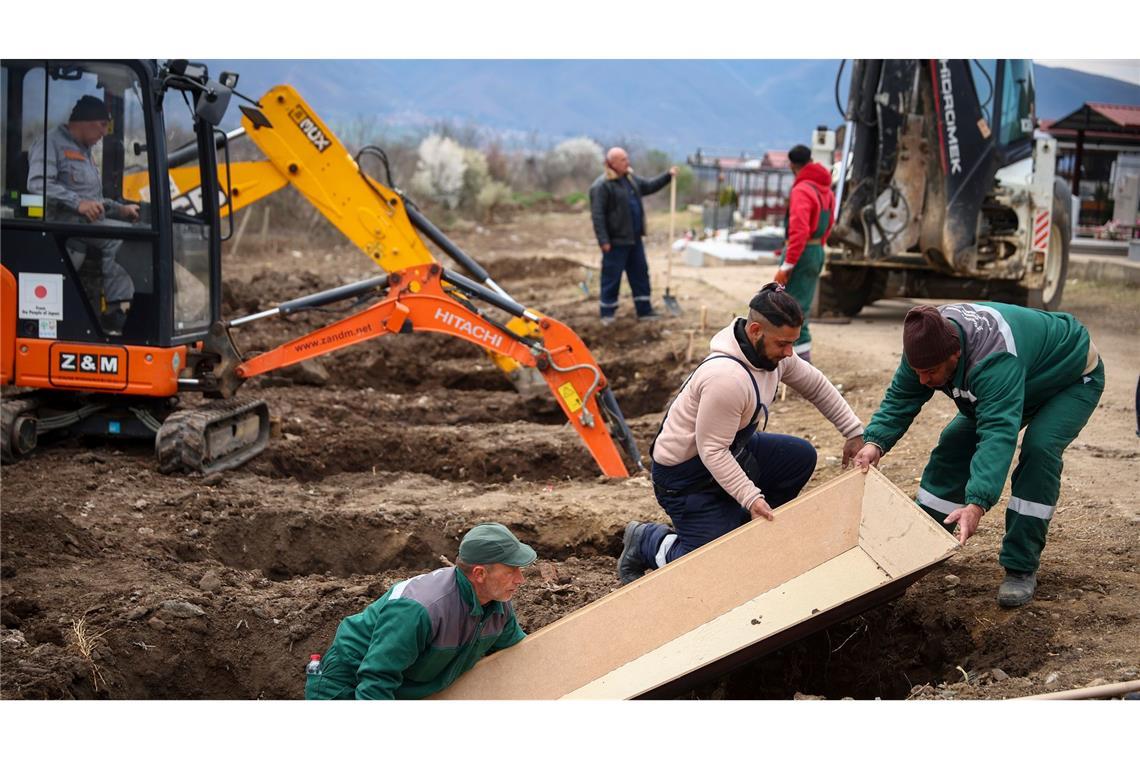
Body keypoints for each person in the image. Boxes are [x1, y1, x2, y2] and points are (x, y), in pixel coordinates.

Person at [852, 303, 1105, 607]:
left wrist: (977, 502)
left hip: (1069, 378)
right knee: (955, 441)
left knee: (1040, 450)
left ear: (955, 355)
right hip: (1022, 375)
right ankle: (926, 540)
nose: (923, 380)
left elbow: (997, 433)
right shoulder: (925, 341)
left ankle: (1021, 566)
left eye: (930, 372)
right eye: (918, 371)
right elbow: (902, 396)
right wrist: (874, 443)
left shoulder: (993, 359)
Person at [618, 283, 866, 584]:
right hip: (685, 477)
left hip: (730, 450)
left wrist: (853, 431)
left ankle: (740, 534)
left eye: (793, 343)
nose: (789, 352)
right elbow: (712, 450)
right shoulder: (726, 379)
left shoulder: (772, 357)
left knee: (799, 458)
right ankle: (649, 540)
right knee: (713, 565)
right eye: (783, 344)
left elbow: (814, 384)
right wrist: (751, 498)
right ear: (755, 331)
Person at [304, 522, 536, 699]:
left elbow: (518, 654)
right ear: (479, 574)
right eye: (511, 570)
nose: (520, 579)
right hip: (347, 683)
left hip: (408, 686)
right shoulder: (421, 609)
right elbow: (377, 681)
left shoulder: (498, 607)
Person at [27, 95, 140, 334]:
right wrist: (78, 203)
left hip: (84, 224)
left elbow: (91, 200)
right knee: (122, 238)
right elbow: (37, 184)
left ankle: (118, 307)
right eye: (102, 125)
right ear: (86, 121)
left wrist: (120, 209)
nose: (104, 133)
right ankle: (115, 311)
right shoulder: (50, 144)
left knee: (134, 232)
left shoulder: (85, 151)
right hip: (59, 225)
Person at [589, 147, 677, 325]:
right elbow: (598, 216)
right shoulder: (602, 185)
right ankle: (607, 313)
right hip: (615, 242)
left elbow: (649, 186)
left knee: (640, 274)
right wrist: (603, 240)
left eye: (627, 158)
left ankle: (644, 310)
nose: (627, 162)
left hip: (634, 240)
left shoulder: (630, 180)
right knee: (611, 277)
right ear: (612, 163)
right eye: (623, 160)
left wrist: (668, 176)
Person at [773, 144, 835, 364]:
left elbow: (799, 231)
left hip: (801, 253)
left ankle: (798, 365)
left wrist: (787, 265)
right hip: (816, 250)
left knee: (792, 311)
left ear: (792, 165)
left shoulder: (802, 190)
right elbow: (829, 225)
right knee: (801, 309)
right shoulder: (825, 190)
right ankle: (800, 361)